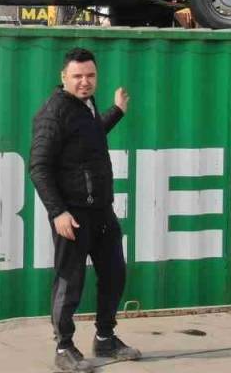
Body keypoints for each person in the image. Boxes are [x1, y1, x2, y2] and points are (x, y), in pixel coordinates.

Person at [29, 47, 142, 372]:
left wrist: (116, 111)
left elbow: (90, 135)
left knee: (114, 274)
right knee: (70, 281)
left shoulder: (86, 105)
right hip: (73, 216)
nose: (84, 82)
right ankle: (64, 347)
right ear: (64, 77)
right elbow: (38, 166)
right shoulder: (54, 113)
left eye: (90, 76)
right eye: (77, 76)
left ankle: (105, 338)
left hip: (101, 212)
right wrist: (58, 212)